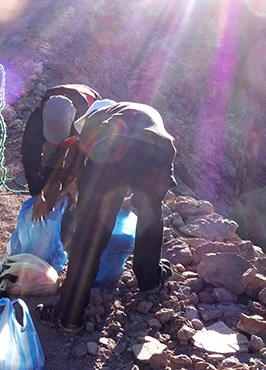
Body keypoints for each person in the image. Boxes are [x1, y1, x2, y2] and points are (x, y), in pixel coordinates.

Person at [37, 99, 177, 333]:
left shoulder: (97, 119)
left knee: (89, 233)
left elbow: (83, 160)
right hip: (159, 152)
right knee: (150, 216)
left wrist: (76, 188)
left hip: (114, 153)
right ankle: (149, 278)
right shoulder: (138, 111)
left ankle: (68, 316)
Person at [20, 84, 101, 241]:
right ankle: (47, 213)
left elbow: (88, 157)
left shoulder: (89, 116)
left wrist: (75, 182)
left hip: (80, 136)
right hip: (64, 130)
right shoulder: (37, 117)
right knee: (50, 170)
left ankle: (65, 224)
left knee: (71, 179)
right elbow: (30, 156)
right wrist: (37, 195)